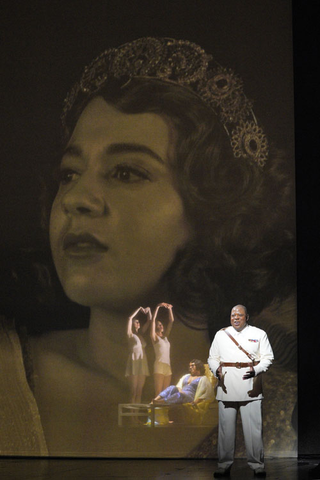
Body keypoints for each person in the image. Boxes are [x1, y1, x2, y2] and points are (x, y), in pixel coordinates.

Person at [0, 37, 295, 457]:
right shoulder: (7, 371)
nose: (75, 199)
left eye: (125, 172)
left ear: (210, 209)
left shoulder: (282, 408)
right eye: (69, 173)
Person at [208, 305, 274, 478]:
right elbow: (212, 358)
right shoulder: (221, 334)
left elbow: (268, 357)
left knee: (253, 429)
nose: (236, 317)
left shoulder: (259, 334)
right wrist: (216, 370)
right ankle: (224, 464)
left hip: (250, 384)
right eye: (233, 315)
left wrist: (257, 370)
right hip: (227, 384)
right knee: (225, 430)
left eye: (239, 315)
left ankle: (257, 465)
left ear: (247, 317)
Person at [125, 306, 151, 404]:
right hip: (134, 363)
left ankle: (136, 417)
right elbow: (129, 318)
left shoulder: (140, 335)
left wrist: (148, 310)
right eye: (136, 322)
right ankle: (132, 418)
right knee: (133, 392)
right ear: (132, 324)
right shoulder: (130, 334)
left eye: (138, 322)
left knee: (139, 392)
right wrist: (139, 309)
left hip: (142, 363)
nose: (138, 323)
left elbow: (149, 321)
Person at [150, 302, 174, 396]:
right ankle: (155, 411)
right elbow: (153, 320)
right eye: (159, 325)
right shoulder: (155, 337)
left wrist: (170, 309)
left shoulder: (165, 337)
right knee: (158, 393)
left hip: (167, 366)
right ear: (156, 327)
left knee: (166, 394)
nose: (161, 326)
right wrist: (158, 307)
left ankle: (164, 411)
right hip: (159, 365)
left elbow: (171, 321)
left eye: (161, 324)